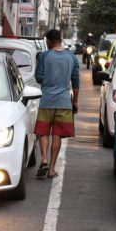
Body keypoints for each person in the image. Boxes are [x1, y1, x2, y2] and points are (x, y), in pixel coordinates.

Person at [34, 29, 80, 178]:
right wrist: (75, 102)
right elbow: (76, 83)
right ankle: (52, 169)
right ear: (60, 40)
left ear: (49, 41)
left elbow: (39, 78)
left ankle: (44, 159)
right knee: (57, 136)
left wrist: (49, 79)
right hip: (64, 102)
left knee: (43, 132)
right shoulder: (72, 58)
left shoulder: (44, 56)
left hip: (46, 100)